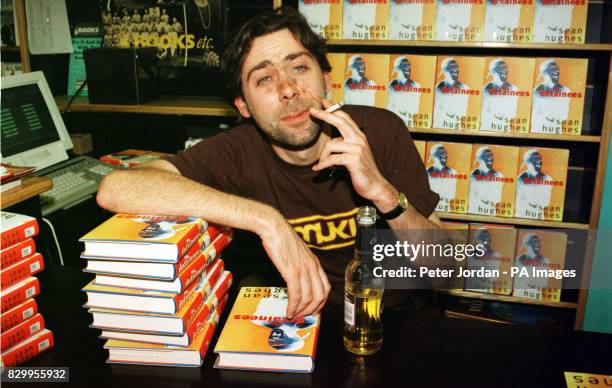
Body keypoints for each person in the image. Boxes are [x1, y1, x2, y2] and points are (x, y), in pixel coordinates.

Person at [96, 7, 441, 319]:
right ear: (243, 106)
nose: (288, 89)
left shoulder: (380, 131)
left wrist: (382, 192)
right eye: (264, 79)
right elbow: (115, 188)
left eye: (299, 68)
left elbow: (449, 266)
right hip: (298, 320)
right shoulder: (238, 150)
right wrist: (266, 220)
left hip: (393, 318)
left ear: (326, 80)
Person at [531, 60, 571, 134]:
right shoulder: (536, 90)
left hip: (556, 129)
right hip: (539, 128)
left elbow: (564, 114)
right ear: (544, 74)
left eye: (557, 70)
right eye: (552, 70)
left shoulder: (565, 90)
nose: (556, 73)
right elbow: (534, 113)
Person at [481, 58, 519, 132]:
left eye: (506, 68)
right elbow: (485, 112)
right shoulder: (486, 89)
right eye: (501, 68)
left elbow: (512, 111)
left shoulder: (513, 89)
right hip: (488, 128)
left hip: (505, 128)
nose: (505, 70)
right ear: (493, 71)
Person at [515, 149, 553, 219]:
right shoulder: (520, 179)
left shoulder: (548, 179)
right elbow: (520, 201)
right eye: (535, 159)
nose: (539, 161)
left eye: (540, 159)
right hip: (522, 215)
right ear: (528, 162)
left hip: (538, 216)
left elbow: (545, 202)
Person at [433, 58, 469, 130]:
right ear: (445, 70)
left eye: (457, 68)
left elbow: (462, 111)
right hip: (439, 126)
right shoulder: (438, 88)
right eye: (452, 68)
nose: (455, 70)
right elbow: (438, 110)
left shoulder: (464, 88)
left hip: (456, 126)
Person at [512, 233, 551, 299]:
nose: (537, 245)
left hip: (537, 297)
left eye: (538, 242)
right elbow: (517, 283)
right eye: (533, 242)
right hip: (520, 296)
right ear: (527, 245)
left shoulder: (546, 261)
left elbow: (544, 283)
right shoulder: (519, 260)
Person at [468, 146, 504, 215]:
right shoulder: (472, 176)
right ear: (479, 159)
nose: (490, 159)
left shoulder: (499, 176)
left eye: (491, 156)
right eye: (486, 157)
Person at [387, 56, 421, 126]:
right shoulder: (390, 86)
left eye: (409, 65)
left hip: (408, 124)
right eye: (404, 65)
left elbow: (414, 109)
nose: (408, 68)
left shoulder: (416, 86)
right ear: (397, 68)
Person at [426, 144, 457, 211]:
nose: (444, 156)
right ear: (433, 156)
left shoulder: (453, 173)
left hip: (447, 209)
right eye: (441, 153)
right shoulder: (426, 172)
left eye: (445, 153)